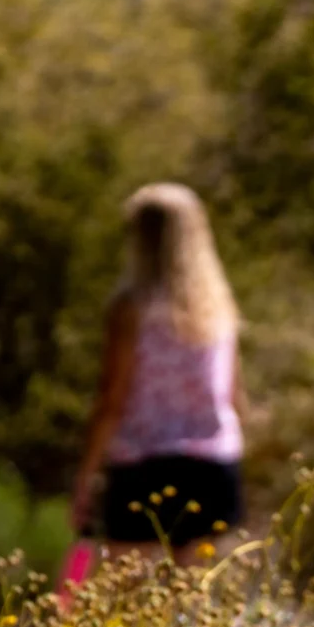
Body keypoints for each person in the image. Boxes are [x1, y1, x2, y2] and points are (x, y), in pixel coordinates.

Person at [71, 183, 246, 562]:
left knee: (125, 604)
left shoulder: (130, 308)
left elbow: (112, 400)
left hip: (142, 462)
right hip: (213, 464)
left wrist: (86, 476)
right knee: (197, 605)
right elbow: (233, 396)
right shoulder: (219, 306)